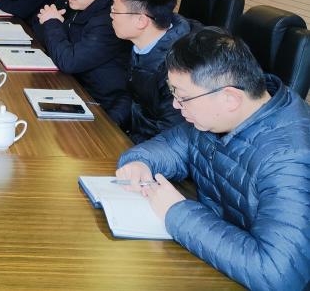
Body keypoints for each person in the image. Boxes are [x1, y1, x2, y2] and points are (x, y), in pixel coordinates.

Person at [116, 28, 310, 291]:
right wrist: (138, 162)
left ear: (230, 98)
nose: (175, 105)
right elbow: (171, 147)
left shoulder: (290, 159)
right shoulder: (217, 116)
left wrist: (176, 212)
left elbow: (278, 274)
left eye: (182, 97)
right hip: (213, 260)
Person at [36, 0, 131, 128]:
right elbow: (52, 43)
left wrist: (52, 23)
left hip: (102, 107)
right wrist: (52, 23)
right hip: (76, 89)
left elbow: (69, 61)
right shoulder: (80, 7)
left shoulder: (107, 21)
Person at [111, 0, 194, 142]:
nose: (111, 15)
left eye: (115, 10)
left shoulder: (178, 68)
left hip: (155, 148)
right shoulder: (144, 42)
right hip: (137, 137)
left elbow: (172, 135)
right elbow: (133, 97)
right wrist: (108, 124)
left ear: (141, 21)